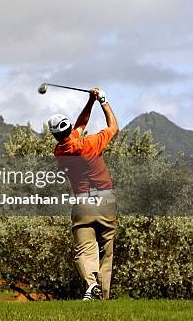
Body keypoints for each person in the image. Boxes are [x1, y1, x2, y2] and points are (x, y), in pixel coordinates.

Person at [50, 87, 118, 301]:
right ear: (69, 128)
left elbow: (79, 127)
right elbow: (113, 127)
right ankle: (103, 297)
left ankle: (91, 285)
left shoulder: (60, 151)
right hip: (105, 200)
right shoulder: (90, 144)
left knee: (85, 249)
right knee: (106, 250)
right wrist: (102, 101)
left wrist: (90, 101)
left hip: (82, 204)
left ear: (55, 135)